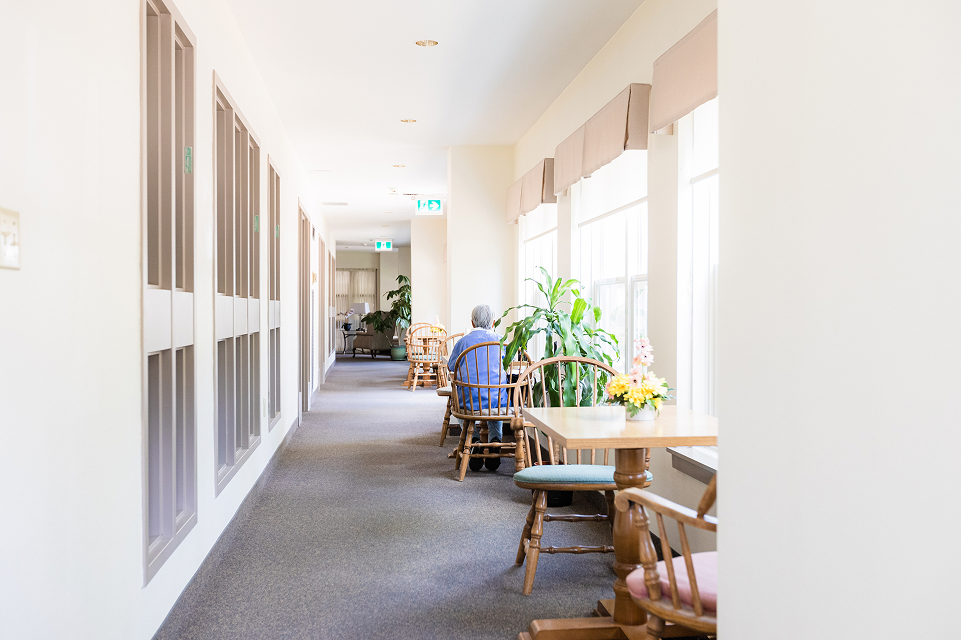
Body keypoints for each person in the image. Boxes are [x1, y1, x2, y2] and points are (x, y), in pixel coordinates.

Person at [447, 304, 508, 472]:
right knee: (498, 401)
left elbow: (451, 367)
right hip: (496, 400)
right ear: (493, 323)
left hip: (469, 401)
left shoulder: (462, 342)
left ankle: (473, 439)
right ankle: (495, 440)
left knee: (457, 404)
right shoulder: (502, 341)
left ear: (472, 323)